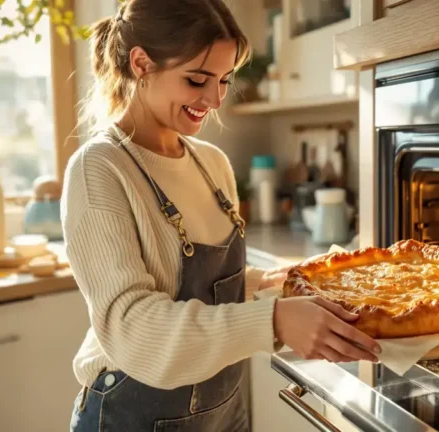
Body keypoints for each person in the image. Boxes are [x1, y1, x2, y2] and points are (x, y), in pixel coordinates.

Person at [63, 0, 381, 430]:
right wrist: (273, 320)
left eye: (225, 80)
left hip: (225, 411)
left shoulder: (211, 163)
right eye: (197, 80)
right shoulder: (99, 168)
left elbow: (206, 292)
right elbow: (132, 329)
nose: (214, 100)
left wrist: (273, 284)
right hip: (131, 416)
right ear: (141, 63)